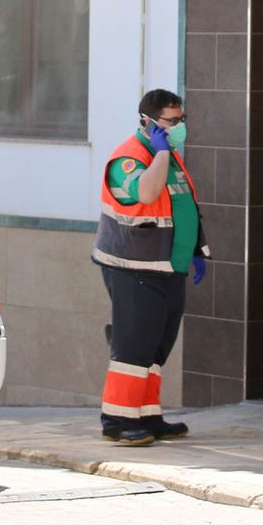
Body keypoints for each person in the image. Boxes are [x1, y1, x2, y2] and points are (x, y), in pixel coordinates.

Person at [90, 89, 209, 446]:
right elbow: (145, 193)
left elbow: (183, 205)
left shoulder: (169, 156)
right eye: (172, 121)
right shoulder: (129, 158)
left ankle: (147, 415)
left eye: (181, 119)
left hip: (168, 267)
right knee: (133, 347)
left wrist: (197, 249)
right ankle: (117, 420)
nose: (179, 127)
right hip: (134, 268)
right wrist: (159, 152)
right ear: (148, 121)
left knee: (157, 346)